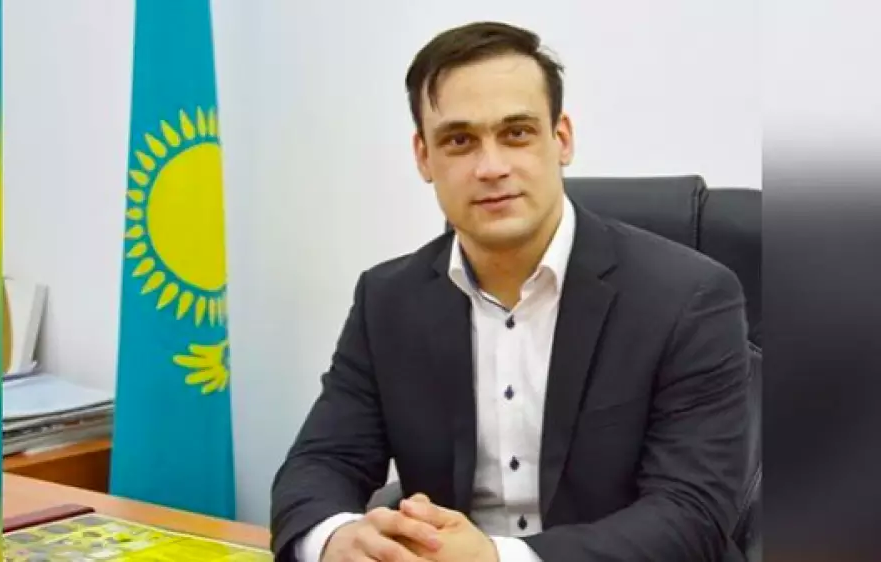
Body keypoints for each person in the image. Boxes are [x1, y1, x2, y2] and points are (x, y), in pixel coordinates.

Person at [270, 20, 750, 562]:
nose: (491, 167)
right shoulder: (387, 300)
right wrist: (336, 538)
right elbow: (321, 462)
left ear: (561, 139)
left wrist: (499, 558)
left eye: (516, 133)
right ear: (423, 156)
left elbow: (692, 515)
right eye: (459, 141)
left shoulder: (689, 297)